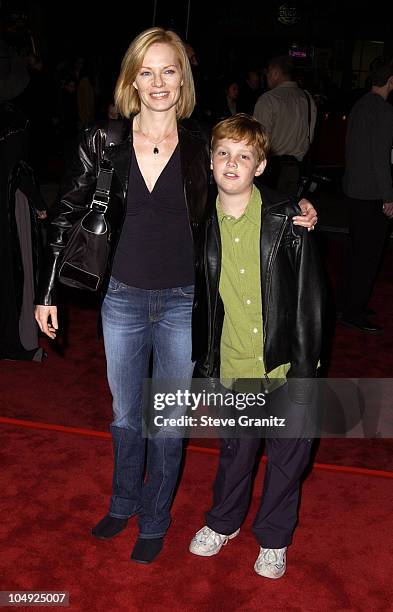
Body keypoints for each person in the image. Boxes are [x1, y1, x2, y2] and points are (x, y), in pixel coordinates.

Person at [34, 29, 317, 565]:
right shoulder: (103, 140)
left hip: (183, 304)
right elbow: (65, 214)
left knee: (166, 417)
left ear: (182, 79)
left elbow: (244, 185)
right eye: (147, 70)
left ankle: (157, 517)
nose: (158, 82)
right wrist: (46, 292)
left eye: (169, 70)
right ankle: (123, 502)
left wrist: (295, 209)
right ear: (131, 78)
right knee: (124, 413)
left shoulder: (200, 147)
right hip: (120, 299)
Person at [189, 114, 324, 579]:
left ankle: (272, 540)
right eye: (224, 153)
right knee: (236, 453)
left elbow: (309, 300)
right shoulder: (199, 223)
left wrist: (307, 368)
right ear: (210, 162)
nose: (233, 162)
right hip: (233, 365)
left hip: (284, 365)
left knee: (288, 459)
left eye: (245, 155)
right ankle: (224, 522)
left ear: (260, 166)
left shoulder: (288, 220)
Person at [339, 60, 393, 333]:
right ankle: (354, 310)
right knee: (368, 256)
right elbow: (381, 159)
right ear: (390, 80)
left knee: (356, 251)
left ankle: (349, 303)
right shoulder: (383, 110)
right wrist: (389, 197)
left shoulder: (360, 104)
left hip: (353, 190)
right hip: (371, 193)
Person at [253, 55, 317, 196]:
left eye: (268, 72)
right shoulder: (307, 99)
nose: (267, 76)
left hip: (271, 171)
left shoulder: (268, 100)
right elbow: (309, 137)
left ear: (275, 73)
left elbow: (257, 141)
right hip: (298, 170)